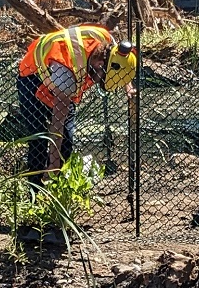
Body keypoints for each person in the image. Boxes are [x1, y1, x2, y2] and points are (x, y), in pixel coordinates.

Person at [17, 24, 136, 184]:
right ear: (100, 65)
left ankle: (58, 187)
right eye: (101, 79)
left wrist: (128, 86)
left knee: (67, 141)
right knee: (39, 139)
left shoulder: (105, 40)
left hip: (58, 74)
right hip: (32, 77)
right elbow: (57, 124)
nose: (96, 82)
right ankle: (36, 191)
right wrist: (53, 164)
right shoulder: (68, 75)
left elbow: (119, 60)